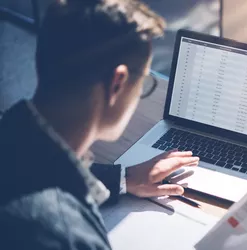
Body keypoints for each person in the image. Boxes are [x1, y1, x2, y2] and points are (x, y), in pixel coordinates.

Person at [0, 0, 199, 249]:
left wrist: (124, 179)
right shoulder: (67, 235)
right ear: (118, 83)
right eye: (144, 82)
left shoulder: (8, 133)